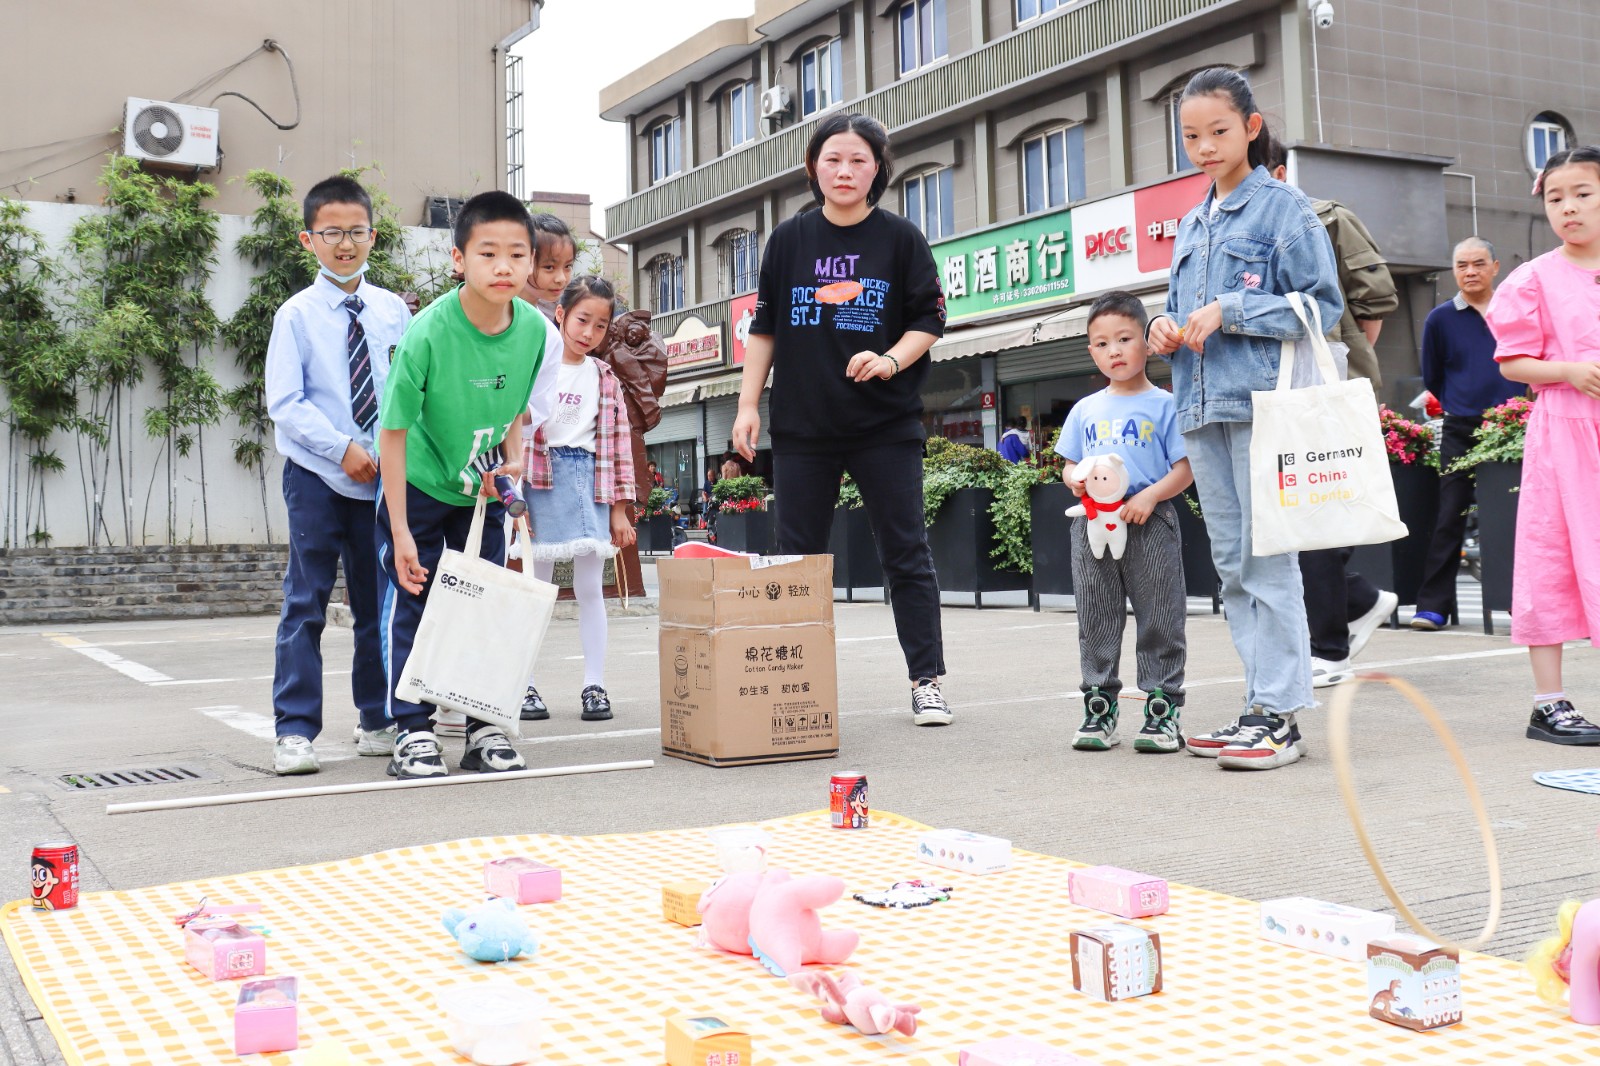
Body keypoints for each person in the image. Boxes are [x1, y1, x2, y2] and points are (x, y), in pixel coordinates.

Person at [1146, 68, 1343, 771]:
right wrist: (1165, 328)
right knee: (1233, 568)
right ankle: (1260, 704)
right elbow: (1184, 311)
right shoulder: (1192, 221)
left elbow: (1322, 306)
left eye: (1218, 131)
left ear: (1251, 128)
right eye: (1191, 136)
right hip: (1201, 408)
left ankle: (1280, 716)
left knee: (1267, 561)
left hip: (1262, 408)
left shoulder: (1284, 208)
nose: (1204, 146)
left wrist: (1230, 310)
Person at [731, 111, 952, 726]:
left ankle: (927, 681)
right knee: (796, 562)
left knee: (905, 554)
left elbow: (930, 320)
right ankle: (791, 685)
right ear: (814, 168)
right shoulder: (789, 240)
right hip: (803, 427)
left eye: (858, 159)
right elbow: (765, 328)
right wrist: (748, 405)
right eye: (833, 159)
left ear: (878, 168)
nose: (845, 170)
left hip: (886, 425)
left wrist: (889, 360)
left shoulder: (901, 238)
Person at [375, 190, 563, 779]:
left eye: (517, 254)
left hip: (480, 495)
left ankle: (483, 728)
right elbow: (392, 434)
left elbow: (516, 411)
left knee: (483, 607)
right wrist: (400, 531)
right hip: (421, 487)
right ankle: (412, 731)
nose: (504, 266)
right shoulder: (427, 333)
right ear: (459, 259)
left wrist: (514, 462)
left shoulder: (536, 332)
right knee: (417, 602)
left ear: (531, 262)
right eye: (488, 253)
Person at [263, 175, 411, 776]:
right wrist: (342, 447)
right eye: (331, 233)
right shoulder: (296, 315)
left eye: (355, 231)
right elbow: (286, 403)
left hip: (382, 481)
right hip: (317, 477)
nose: (345, 244)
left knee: (379, 605)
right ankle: (294, 731)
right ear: (309, 240)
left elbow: (409, 392)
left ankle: (376, 719)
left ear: (372, 235)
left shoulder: (394, 311)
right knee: (307, 603)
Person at [1264, 139, 1401, 685]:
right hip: (1273, 389)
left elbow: (1375, 301)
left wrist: (1344, 363)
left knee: (1315, 513)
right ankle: (1357, 604)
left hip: (1327, 385)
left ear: (1278, 172)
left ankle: (1331, 644)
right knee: (1303, 514)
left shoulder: (1325, 217)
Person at [1482, 145, 1600, 744]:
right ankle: (1548, 704)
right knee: (1550, 555)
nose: (1568, 207)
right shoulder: (1533, 279)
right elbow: (1512, 363)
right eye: (1556, 198)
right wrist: (1568, 372)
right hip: (1565, 435)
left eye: (1582, 193)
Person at [1056, 292, 1194, 753]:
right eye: (1101, 344)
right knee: (1096, 614)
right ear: (1091, 352)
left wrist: (1151, 496)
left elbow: (1185, 468)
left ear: (1147, 343)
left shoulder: (1166, 404)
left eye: (1124, 339)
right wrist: (1075, 480)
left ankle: (1162, 709)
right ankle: (1099, 706)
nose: (1113, 351)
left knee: (1160, 614)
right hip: (1092, 522)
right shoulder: (1085, 409)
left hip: (1149, 520)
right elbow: (1068, 465)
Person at [519, 276, 637, 724]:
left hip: (590, 480)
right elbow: (517, 433)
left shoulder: (604, 377)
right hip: (540, 479)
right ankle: (524, 685)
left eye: (600, 326)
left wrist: (620, 510)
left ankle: (594, 684)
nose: (589, 333)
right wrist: (516, 499)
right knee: (537, 590)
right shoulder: (535, 366)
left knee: (591, 588)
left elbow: (619, 445)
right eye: (582, 320)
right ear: (561, 314)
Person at [1413, 237, 1522, 631]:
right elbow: (1433, 376)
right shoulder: (1440, 319)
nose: (1470, 272)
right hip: (1461, 427)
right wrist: (1460, 404)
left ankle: (1521, 602)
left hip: (1511, 428)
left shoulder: (1515, 310)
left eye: (1478, 263)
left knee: (1514, 515)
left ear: (1495, 267)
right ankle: (1433, 606)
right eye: (1462, 265)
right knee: (1450, 514)